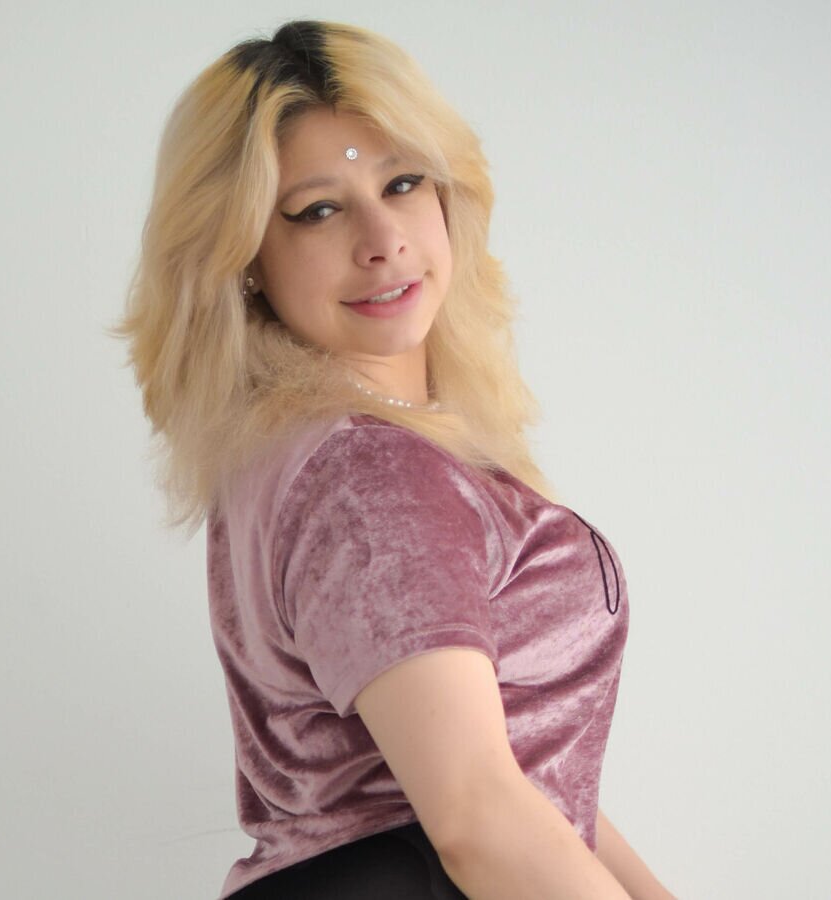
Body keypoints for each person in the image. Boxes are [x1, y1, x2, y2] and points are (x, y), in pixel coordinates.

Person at [112, 20, 675, 900]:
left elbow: (527, 781)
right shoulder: (368, 473)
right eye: (318, 210)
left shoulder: (316, 449)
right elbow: (478, 819)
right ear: (244, 256)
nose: (383, 239)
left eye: (403, 182)